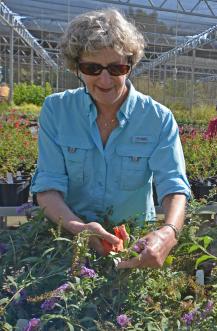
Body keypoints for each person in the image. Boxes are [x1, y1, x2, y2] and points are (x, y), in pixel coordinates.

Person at [30, 9, 190, 268]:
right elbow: (47, 186)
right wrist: (79, 228)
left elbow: (173, 186)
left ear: (130, 65)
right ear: (77, 68)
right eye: (92, 68)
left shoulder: (157, 118)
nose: (105, 79)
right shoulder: (57, 111)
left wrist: (168, 233)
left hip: (135, 247)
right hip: (69, 242)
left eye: (117, 67)